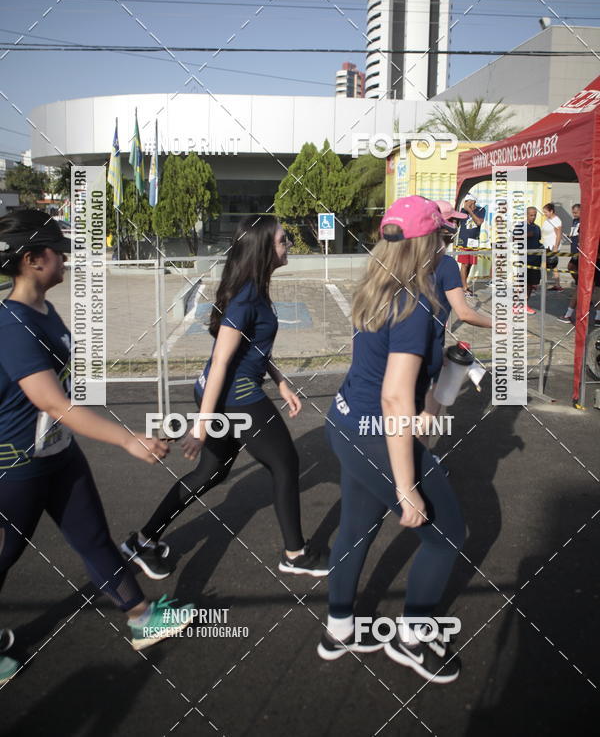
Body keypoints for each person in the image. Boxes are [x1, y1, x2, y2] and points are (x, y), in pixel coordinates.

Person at [0, 210, 194, 685]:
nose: (65, 258)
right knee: (4, 557)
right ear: (32, 260)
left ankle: (141, 617)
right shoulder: (12, 324)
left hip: (58, 452)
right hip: (15, 466)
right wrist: (127, 439)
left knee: (93, 538)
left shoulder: (45, 310)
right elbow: (53, 401)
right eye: (57, 251)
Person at [123, 215, 328, 579]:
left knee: (211, 471)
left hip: (227, 390)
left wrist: (280, 380)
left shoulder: (254, 288)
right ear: (264, 249)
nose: (289, 245)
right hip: (237, 395)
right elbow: (221, 360)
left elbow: (251, 349)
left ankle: (142, 541)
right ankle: (295, 554)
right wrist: (202, 424)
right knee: (285, 464)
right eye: (283, 240)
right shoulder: (246, 297)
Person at [318, 196, 465, 684]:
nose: (445, 243)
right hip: (374, 433)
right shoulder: (415, 300)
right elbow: (395, 397)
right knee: (447, 537)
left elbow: (390, 380)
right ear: (426, 242)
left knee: (355, 529)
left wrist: (435, 396)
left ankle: (340, 629)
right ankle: (413, 639)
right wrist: (406, 487)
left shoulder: (377, 286)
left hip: (344, 422)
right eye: (441, 235)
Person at [417, 200, 492, 451]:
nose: (457, 226)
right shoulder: (446, 264)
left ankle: (404, 465)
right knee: (427, 417)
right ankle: (420, 466)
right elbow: (465, 313)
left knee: (403, 415)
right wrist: (500, 324)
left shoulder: (406, 260)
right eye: (453, 221)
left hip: (400, 349)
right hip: (428, 352)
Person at [456, 193, 486, 297]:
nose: (466, 204)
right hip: (464, 241)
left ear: (473, 202)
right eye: (465, 202)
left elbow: (478, 222)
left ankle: (464, 285)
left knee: (470, 264)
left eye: (468, 203)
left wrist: (469, 210)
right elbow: (456, 224)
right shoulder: (462, 211)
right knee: (464, 264)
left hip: (474, 241)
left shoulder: (481, 210)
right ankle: (464, 288)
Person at [561, 204, 581, 321]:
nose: (573, 214)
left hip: (579, 252)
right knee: (571, 267)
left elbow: (580, 235)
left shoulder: (584, 222)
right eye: (573, 212)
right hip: (573, 249)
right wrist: (569, 236)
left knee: (571, 266)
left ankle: (579, 284)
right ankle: (578, 282)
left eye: (576, 212)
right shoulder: (574, 221)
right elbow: (574, 233)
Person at [541, 203, 563, 291]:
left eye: (546, 212)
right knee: (551, 266)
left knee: (552, 265)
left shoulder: (556, 220)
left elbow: (559, 235)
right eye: (544, 212)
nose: (544, 214)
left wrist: (556, 247)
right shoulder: (547, 220)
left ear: (551, 211)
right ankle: (556, 284)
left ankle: (557, 285)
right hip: (546, 245)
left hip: (552, 245)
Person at [525, 207, 543, 315]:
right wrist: (525, 235)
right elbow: (512, 238)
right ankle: (517, 305)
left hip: (535, 260)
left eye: (535, 215)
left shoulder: (537, 228)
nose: (533, 217)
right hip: (523, 260)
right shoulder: (521, 226)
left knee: (531, 284)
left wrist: (544, 248)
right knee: (521, 284)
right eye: (531, 215)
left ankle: (525, 305)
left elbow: (537, 241)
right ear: (526, 215)